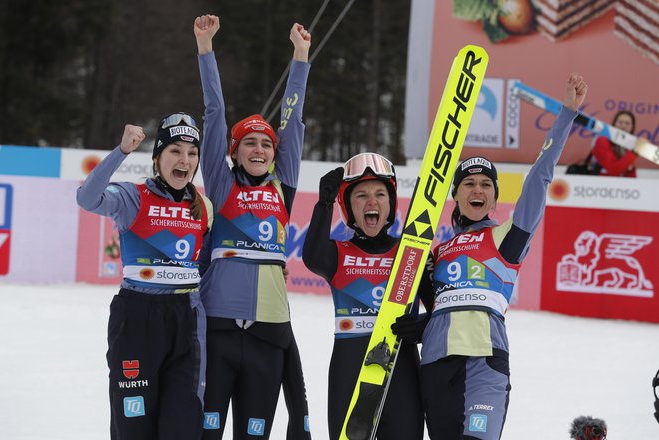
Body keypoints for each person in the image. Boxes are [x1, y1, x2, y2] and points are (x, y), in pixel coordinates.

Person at [392, 73, 588, 440]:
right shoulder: (435, 252)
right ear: (457, 196)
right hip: (435, 365)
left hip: (486, 361)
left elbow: (539, 178)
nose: (477, 189)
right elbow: (432, 307)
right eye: (469, 183)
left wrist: (566, 115)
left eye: (486, 184)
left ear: (495, 198)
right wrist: (422, 325)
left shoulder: (507, 237)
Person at [193, 15, 312, 439]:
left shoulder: (284, 187)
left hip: (268, 328)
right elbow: (214, 113)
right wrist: (206, 50)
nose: (259, 148)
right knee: (206, 431)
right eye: (249, 142)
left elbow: (292, 123)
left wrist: (301, 59)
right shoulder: (221, 184)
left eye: (266, 143)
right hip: (219, 327)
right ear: (234, 151)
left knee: (254, 433)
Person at [77, 114, 213, 439]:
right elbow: (87, 198)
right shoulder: (132, 197)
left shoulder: (203, 206)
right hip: (138, 316)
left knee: (182, 425)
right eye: (175, 151)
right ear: (157, 158)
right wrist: (121, 151)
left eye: (192, 153)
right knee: (133, 426)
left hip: (188, 319)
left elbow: (207, 264)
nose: (184, 160)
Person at [302, 153, 433, 439]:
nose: (372, 202)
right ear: (348, 207)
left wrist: (420, 327)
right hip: (349, 366)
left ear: (391, 204)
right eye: (360, 195)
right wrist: (323, 205)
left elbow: (440, 313)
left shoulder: (411, 253)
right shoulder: (338, 254)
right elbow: (312, 256)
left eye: (380, 194)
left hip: (403, 369)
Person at [591, 110, 637, 177]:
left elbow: (632, 179)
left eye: (627, 123)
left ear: (632, 126)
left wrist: (630, 170)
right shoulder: (602, 140)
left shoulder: (630, 146)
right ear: (614, 123)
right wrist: (634, 152)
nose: (623, 126)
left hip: (621, 185)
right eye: (620, 122)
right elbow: (613, 170)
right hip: (601, 185)